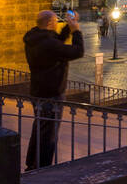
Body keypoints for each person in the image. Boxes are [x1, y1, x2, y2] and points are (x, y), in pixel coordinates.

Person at [23, 10, 84, 170]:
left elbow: (56, 41)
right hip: (51, 94)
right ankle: (42, 168)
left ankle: (32, 163)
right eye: (56, 21)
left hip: (37, 91)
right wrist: (76, 31)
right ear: (50, 23)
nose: (57, 24)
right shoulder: (49, 44)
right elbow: (78, 51)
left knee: (39, 129)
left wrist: (67, 28)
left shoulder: (34, 38)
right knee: (49, 135)